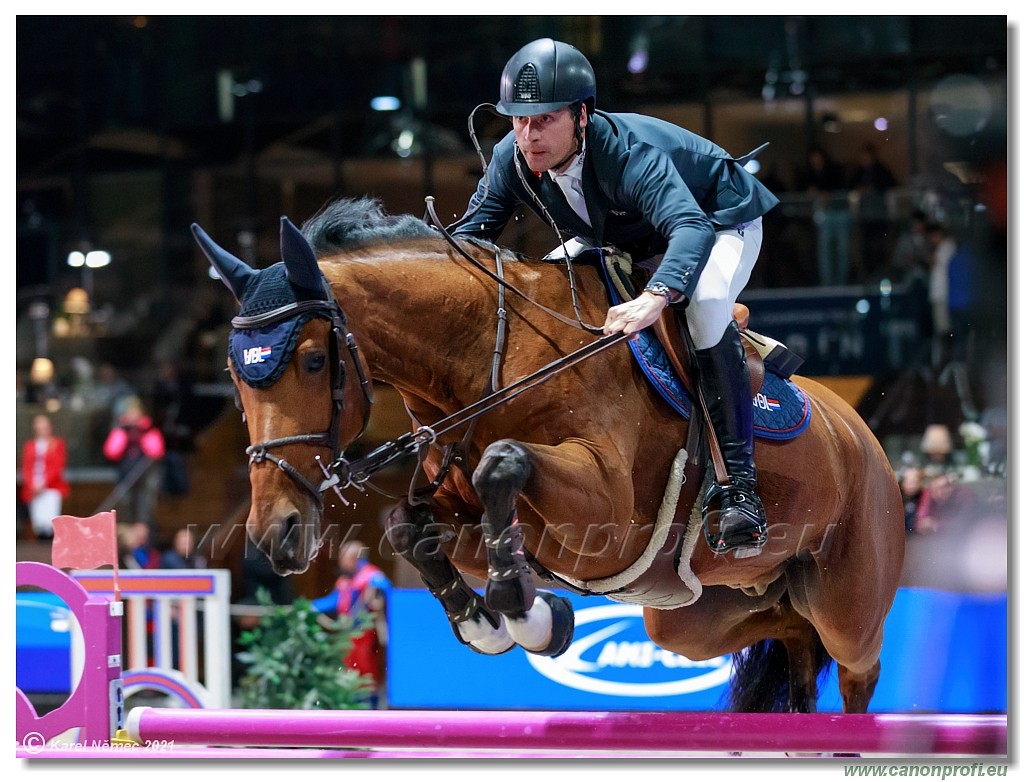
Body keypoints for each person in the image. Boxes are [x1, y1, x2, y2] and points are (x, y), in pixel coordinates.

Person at [451, 38, 779, 555]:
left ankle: (739, 490)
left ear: (581, 115)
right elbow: (469, 241)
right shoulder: (510, 158)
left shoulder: (628, 154)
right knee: (544, 285)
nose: (529, 136)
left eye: (545, 120)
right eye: (519, 120)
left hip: (715, 219)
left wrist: (656, 294)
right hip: (624, 233)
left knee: (704, 304)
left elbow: (689, 228)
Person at [311, 541, 391, 708]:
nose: (341, 562)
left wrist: (377, 585)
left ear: (355, 558)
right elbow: (334, 601)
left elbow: (386, 587)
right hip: (348, 637)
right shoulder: (345, 580)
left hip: (367, 637)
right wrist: (311, 606)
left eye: (344, 558)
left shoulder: (371, 575)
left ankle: (371, 709)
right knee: (349, 673)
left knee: (368, 675)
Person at [102, 396, 166, 536]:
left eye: (135, 412)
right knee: (125, 507)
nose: (133, 415)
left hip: (145, 478)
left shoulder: (149, 430)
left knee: (145, 509)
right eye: (130, 412)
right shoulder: (120, 430)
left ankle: (145, 537)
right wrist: (123, 434)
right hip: (125, 478)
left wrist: (143, 436)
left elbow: (157, 451)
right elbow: (111, 451)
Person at [796, 144, 851, 286]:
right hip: (823, 216)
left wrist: (828, 195)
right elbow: (803, 191)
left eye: (818, 157)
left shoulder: (835, 171)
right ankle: (827, 283)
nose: (816, 161)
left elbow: (843, 189)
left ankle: (841, 282)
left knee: (842, 250)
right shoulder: (809, 175)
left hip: (840, 213)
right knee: (824, 251)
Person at [20, 413, 70, 539]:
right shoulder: (30, 445)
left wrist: (44, 483)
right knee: (38, 522)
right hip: (34, 490)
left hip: (51, 487)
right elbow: (26, 467)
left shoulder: (57, 444)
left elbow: (58, 466)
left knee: (50, 521)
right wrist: (32, 484)